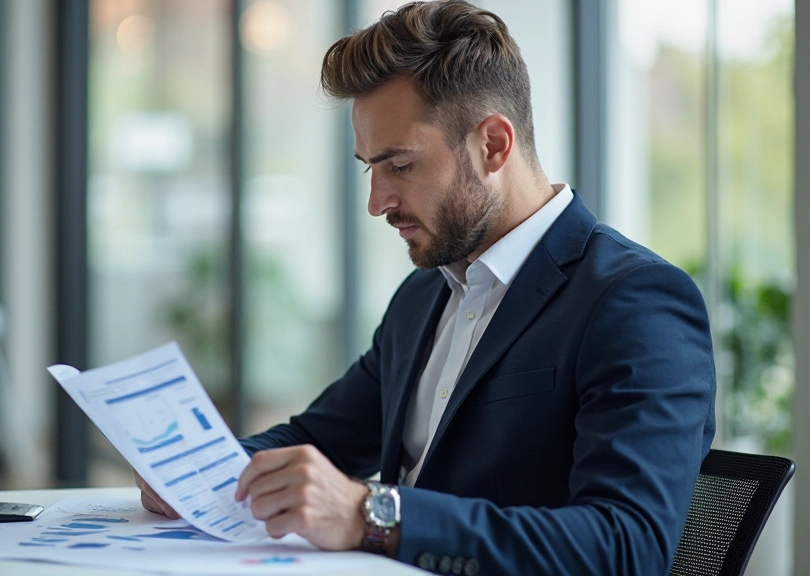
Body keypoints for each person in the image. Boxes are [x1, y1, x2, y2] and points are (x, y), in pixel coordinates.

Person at [135, 1, 716, 574]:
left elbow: (626, 548)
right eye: (371, 168)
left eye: (401, 166)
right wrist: (197, 474)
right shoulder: (424, 296)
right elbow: (319, 438)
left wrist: (374, 516)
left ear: (493, 144)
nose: (376, 202)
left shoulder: (635, 303)